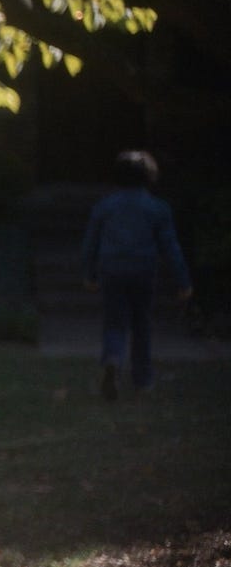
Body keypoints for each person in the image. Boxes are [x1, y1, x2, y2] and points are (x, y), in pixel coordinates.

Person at [81, 150, 193, 400]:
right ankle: (142, 378)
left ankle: (113, 359)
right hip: (143, 270)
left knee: (114, 321)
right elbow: (170, 247)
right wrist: (183, 281)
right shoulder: (157, 208)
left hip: (112, 269)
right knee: (141, 323)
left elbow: (90, 243)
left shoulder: (105, 207)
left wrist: (89, 274)